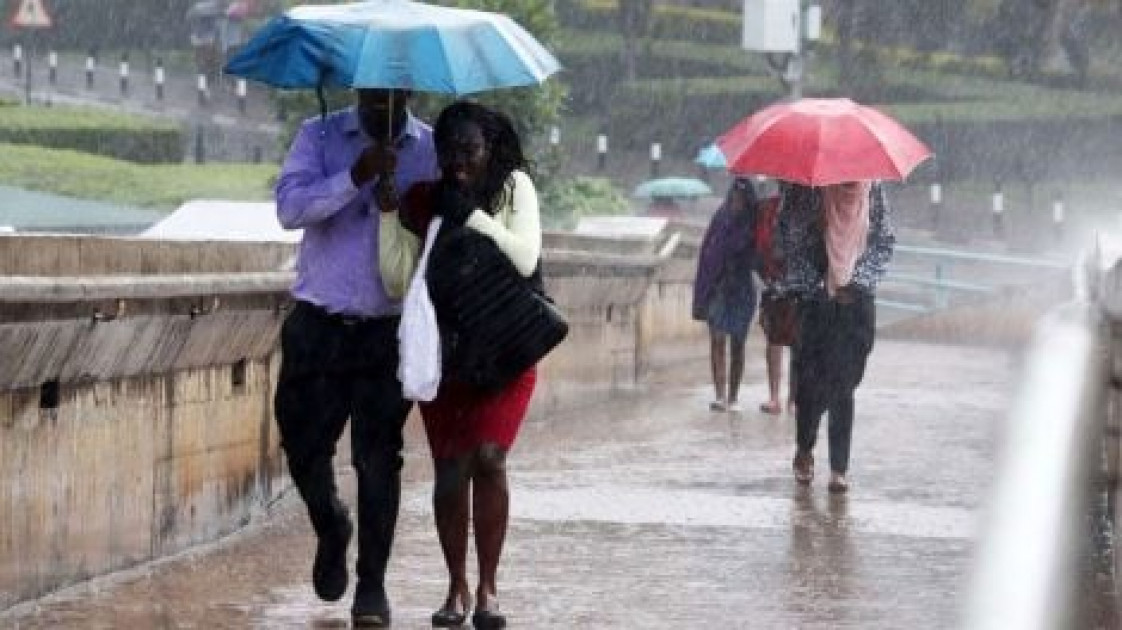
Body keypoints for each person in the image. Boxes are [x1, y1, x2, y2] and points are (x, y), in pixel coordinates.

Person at [273, 88, 438, 627]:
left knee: (377, 459)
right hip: (317, 324)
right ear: (356, 85)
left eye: (391, 91)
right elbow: (290, 210)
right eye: (371, 91)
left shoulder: (431, 150)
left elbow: (443, 231)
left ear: (409, 90)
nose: (380, 101)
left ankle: (372, 584)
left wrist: (406, 209)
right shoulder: (317, 135)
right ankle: (331, 524)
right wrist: (354, 177)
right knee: (303, 449)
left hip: (385, 333)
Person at [383, 100, 542, 629]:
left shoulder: (513, 188)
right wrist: (389, 215)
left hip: (504, 350)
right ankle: (454, 587)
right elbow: (395, 278)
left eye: (469, 150)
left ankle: (489, 588)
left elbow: (524, 257)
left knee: (491, 457)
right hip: (446, 355)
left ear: (490, 148)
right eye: (448, 151)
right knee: (451, 470)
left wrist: (471, 216)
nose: (458, 162)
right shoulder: (422, 201)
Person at [776, 181, 896, 493]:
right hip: (814, 302)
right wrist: (819, 284)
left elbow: (883, 241)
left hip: (856, 304)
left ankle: (839, 467)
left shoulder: (872, 189)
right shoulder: (805, 188)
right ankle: (805, 447)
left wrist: (856, 283)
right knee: (811, 385)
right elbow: (788, 238)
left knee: (845, 384)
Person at [692, 177, 759, 413]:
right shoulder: (721, 219)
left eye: (741, 198)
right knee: (718, 339)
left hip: (741, 289)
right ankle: (719, 395)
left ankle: (733, 397)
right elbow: (708, 252)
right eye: (734, 197)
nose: (736, 202)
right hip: (719, 287)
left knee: (738, 345)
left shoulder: (753, 224)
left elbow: (759, 256)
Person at [754, 187, 798, 416]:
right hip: (773, 283)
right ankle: (774, 396)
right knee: (774, 340)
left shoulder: (808, 207)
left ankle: (793, 399)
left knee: (798, 345)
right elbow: (759, 245)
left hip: (800, 285)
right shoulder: (766, 208)